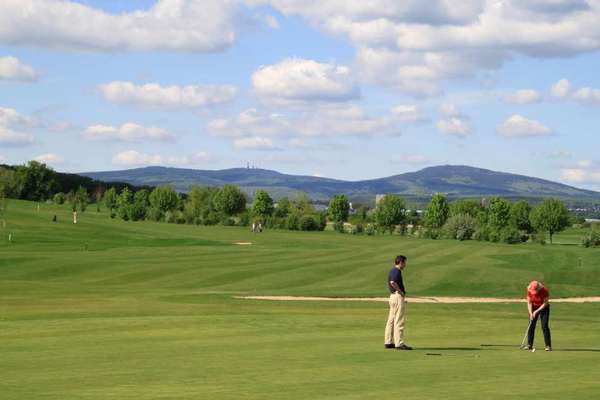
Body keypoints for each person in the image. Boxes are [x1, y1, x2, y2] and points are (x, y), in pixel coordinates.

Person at [384, 255, 412, 350]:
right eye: (404, 262)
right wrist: (400, 292)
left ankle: (388, 342)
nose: (405, 265)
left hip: (392, 297)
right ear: (400, 262)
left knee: (391, 320)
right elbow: (393, 282)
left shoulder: (392, 270)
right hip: (397, 296)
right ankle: (399, 343)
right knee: (399, 320)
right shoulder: (397, 271)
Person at [525, 280, 552, 351]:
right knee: (531, 324)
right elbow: (529, 303)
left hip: (544, 308)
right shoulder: (529, 290)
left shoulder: (544, 290)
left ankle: (548, 346)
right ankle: (529, 345)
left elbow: (545, 303)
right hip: (533, 307)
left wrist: (537, 311)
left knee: (544, 325)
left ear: (538, 289)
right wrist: (531, 313)